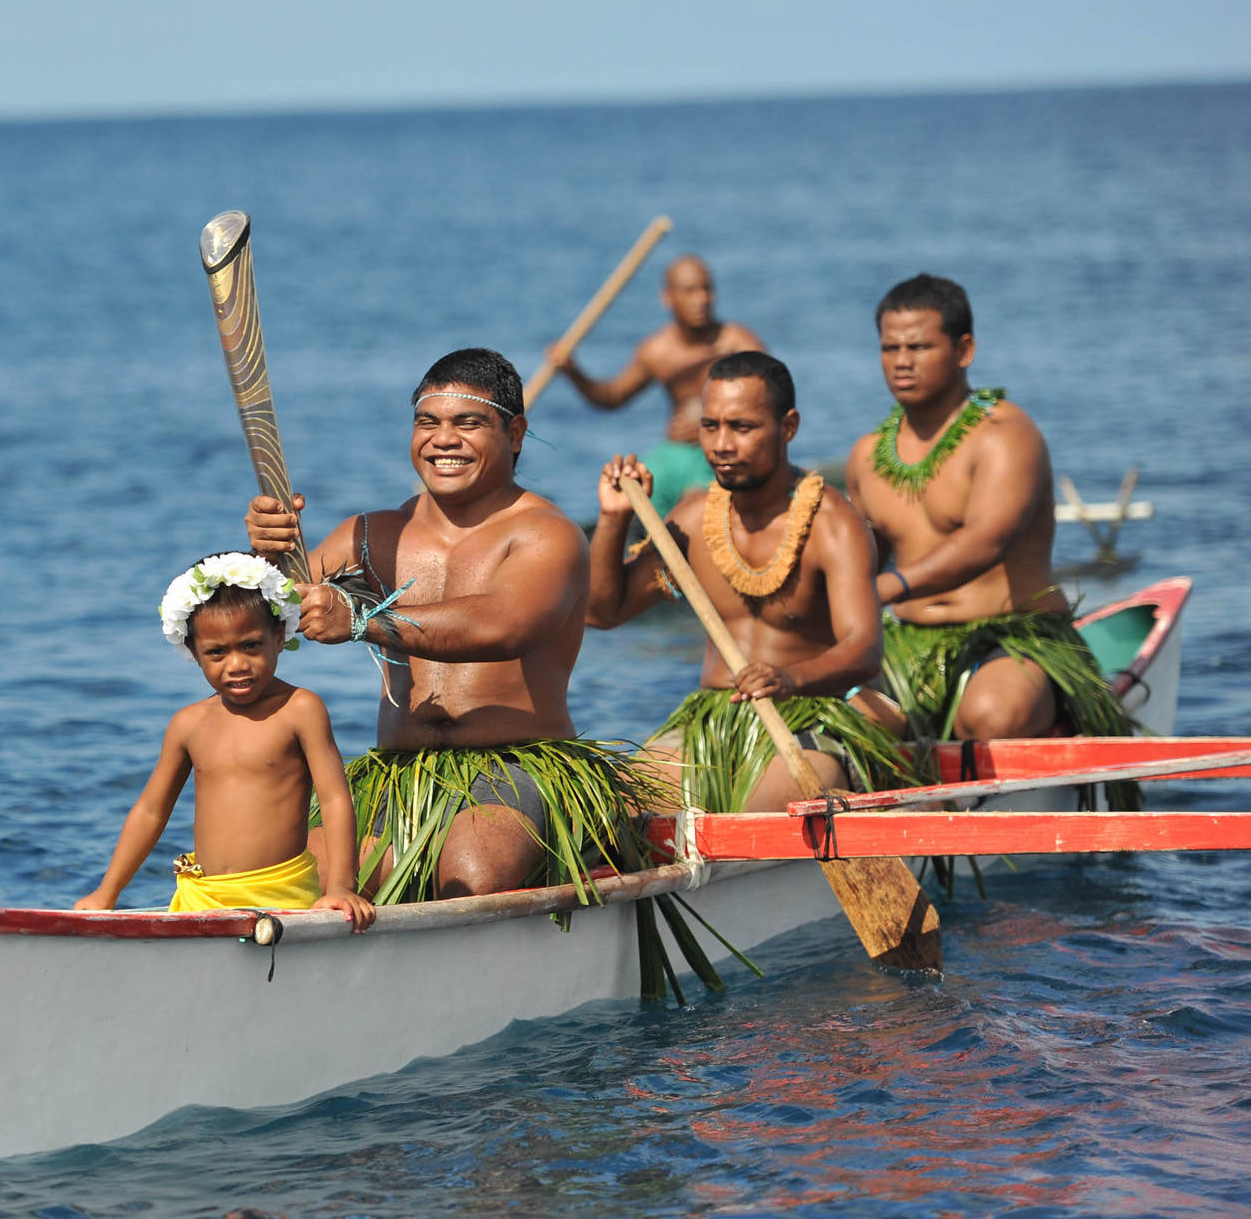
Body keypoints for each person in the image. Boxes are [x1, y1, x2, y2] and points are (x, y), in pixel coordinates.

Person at [244, 348, 662, 903]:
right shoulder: (371, 534)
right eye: (427, 423)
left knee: (471, 867)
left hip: (517, 766)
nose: (443, 439)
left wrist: (364, 618)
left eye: (468, 423)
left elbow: (503, 625)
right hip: (398, 771)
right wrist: (268, 558)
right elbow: (260, 625)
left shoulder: (547, 534)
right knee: (311, 873)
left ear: (514, 434)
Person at [586, 352, 918, 812]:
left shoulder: (833, 524)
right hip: (716, 720)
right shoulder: (691, 518)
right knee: (618, 802)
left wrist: (789, 678)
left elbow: (864, 650)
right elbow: (603, 612)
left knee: (752, 807)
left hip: (813, 717)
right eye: (710, 426)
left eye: (742, 427)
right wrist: (612, 520)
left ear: (788, 427)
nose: (721, 444)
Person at [843, 275, 1136, 793]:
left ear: (964, 350)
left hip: (1012, 635)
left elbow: (986, 540)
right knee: (849, 728)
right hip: (907, 646)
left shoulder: (1005, 436)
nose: (901, 361)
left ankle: (1056, 718)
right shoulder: (868, 456)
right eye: (890, 347)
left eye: (919, 346)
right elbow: (858, 560)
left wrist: (892, 587)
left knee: (989, 715)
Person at [74, 552, 375, 929]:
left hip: (284, 895)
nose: (236, 664)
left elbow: (334, 799)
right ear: (193, 653)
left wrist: (341, 887)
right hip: (204, 897)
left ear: (279, 637)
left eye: (250, 645)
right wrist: (106, 894)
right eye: (216, 652)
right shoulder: (189, 724)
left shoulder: (300, 709)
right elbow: (151, 811)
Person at [552, 254, 765, 518]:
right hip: (673, 455)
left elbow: (771, 398)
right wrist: (574, 372)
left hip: (720, 453)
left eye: (706, 289)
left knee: (695, 505)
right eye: (689, 291)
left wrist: (713, 419)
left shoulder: (736, 341)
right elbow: (612, 396)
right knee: (633, 494)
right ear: (667, 297)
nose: (701, 299)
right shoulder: (657, 350)